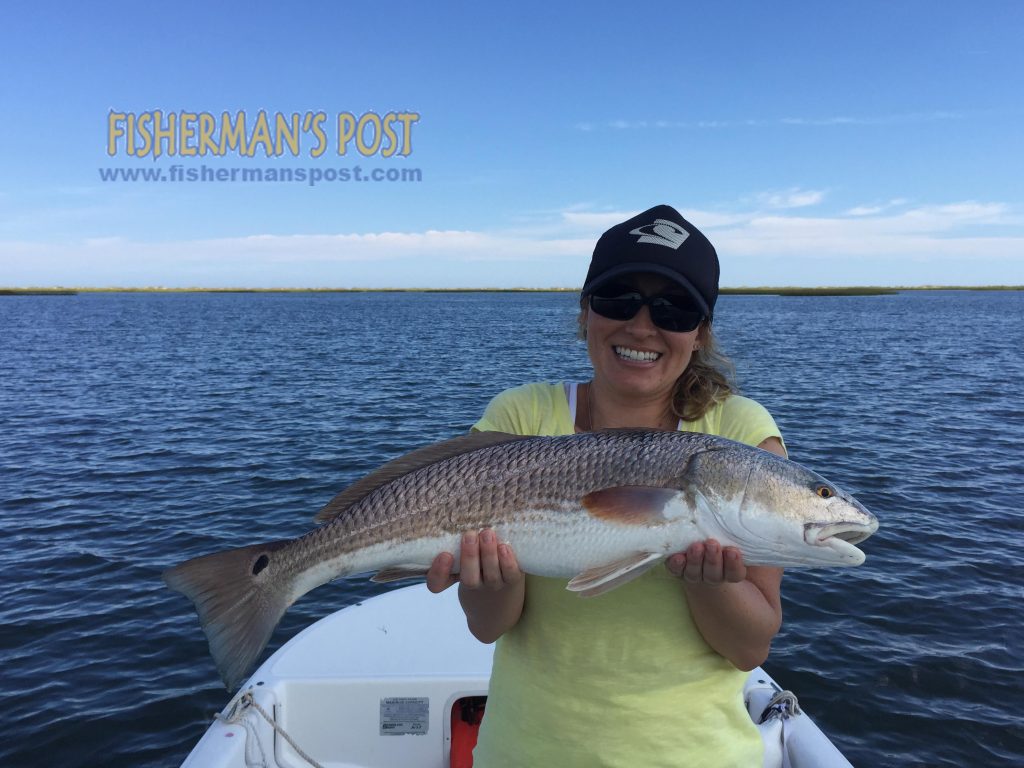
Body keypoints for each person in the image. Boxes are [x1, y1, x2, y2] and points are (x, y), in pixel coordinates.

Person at [426, 204, 787, 767]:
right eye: (618, 299)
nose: (642, 325)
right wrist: (490, 577)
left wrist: (708, 582)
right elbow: (488, 625)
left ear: (700, 333)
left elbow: (748, 649)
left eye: (674, 308)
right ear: (585, 314)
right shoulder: (520, 416)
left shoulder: (739, 435)